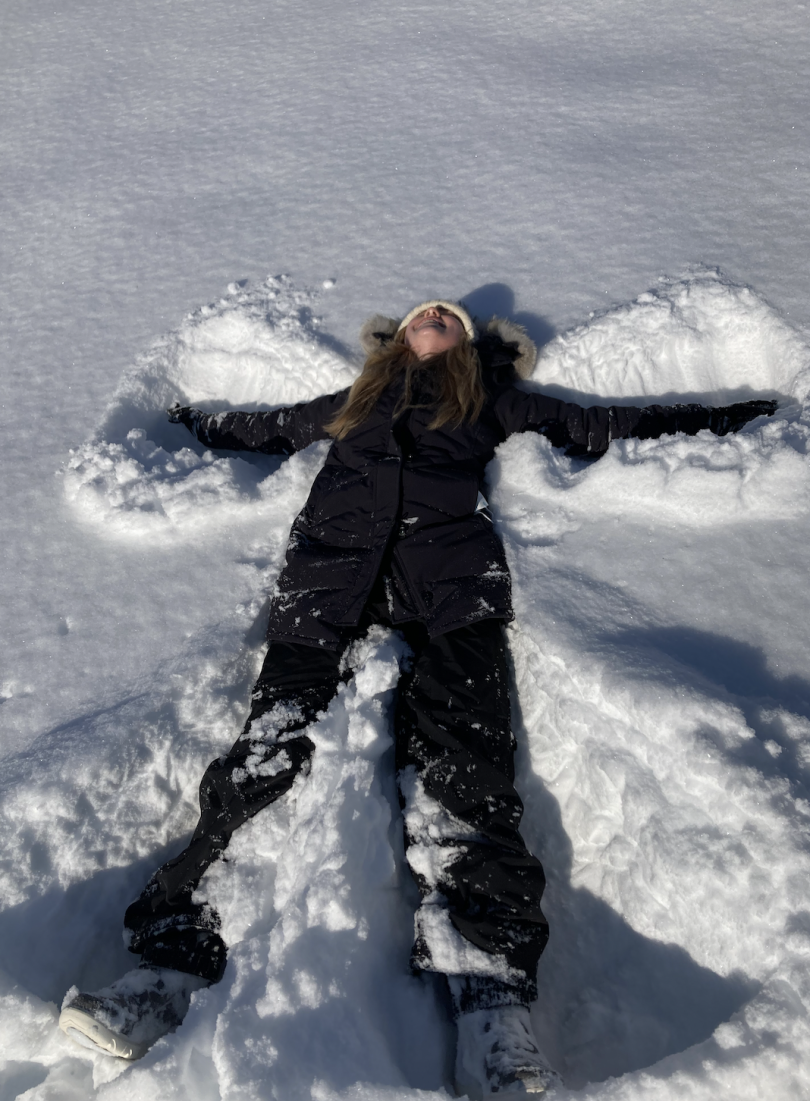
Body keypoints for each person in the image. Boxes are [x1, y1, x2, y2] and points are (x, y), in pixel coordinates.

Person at [59, 300, 776, 1096]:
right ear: (398, 338)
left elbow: (599, 424)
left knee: (465, 766)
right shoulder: (355, 402)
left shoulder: (490, 400)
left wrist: (729, 417)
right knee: (265, 754)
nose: (433, 312)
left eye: (450, 314)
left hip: (452, 596)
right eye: (420, 311)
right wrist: (184, 419)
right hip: (329, 592)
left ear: (467, 344)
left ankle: (493, 1006)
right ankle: (163, 969)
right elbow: (265, 431)